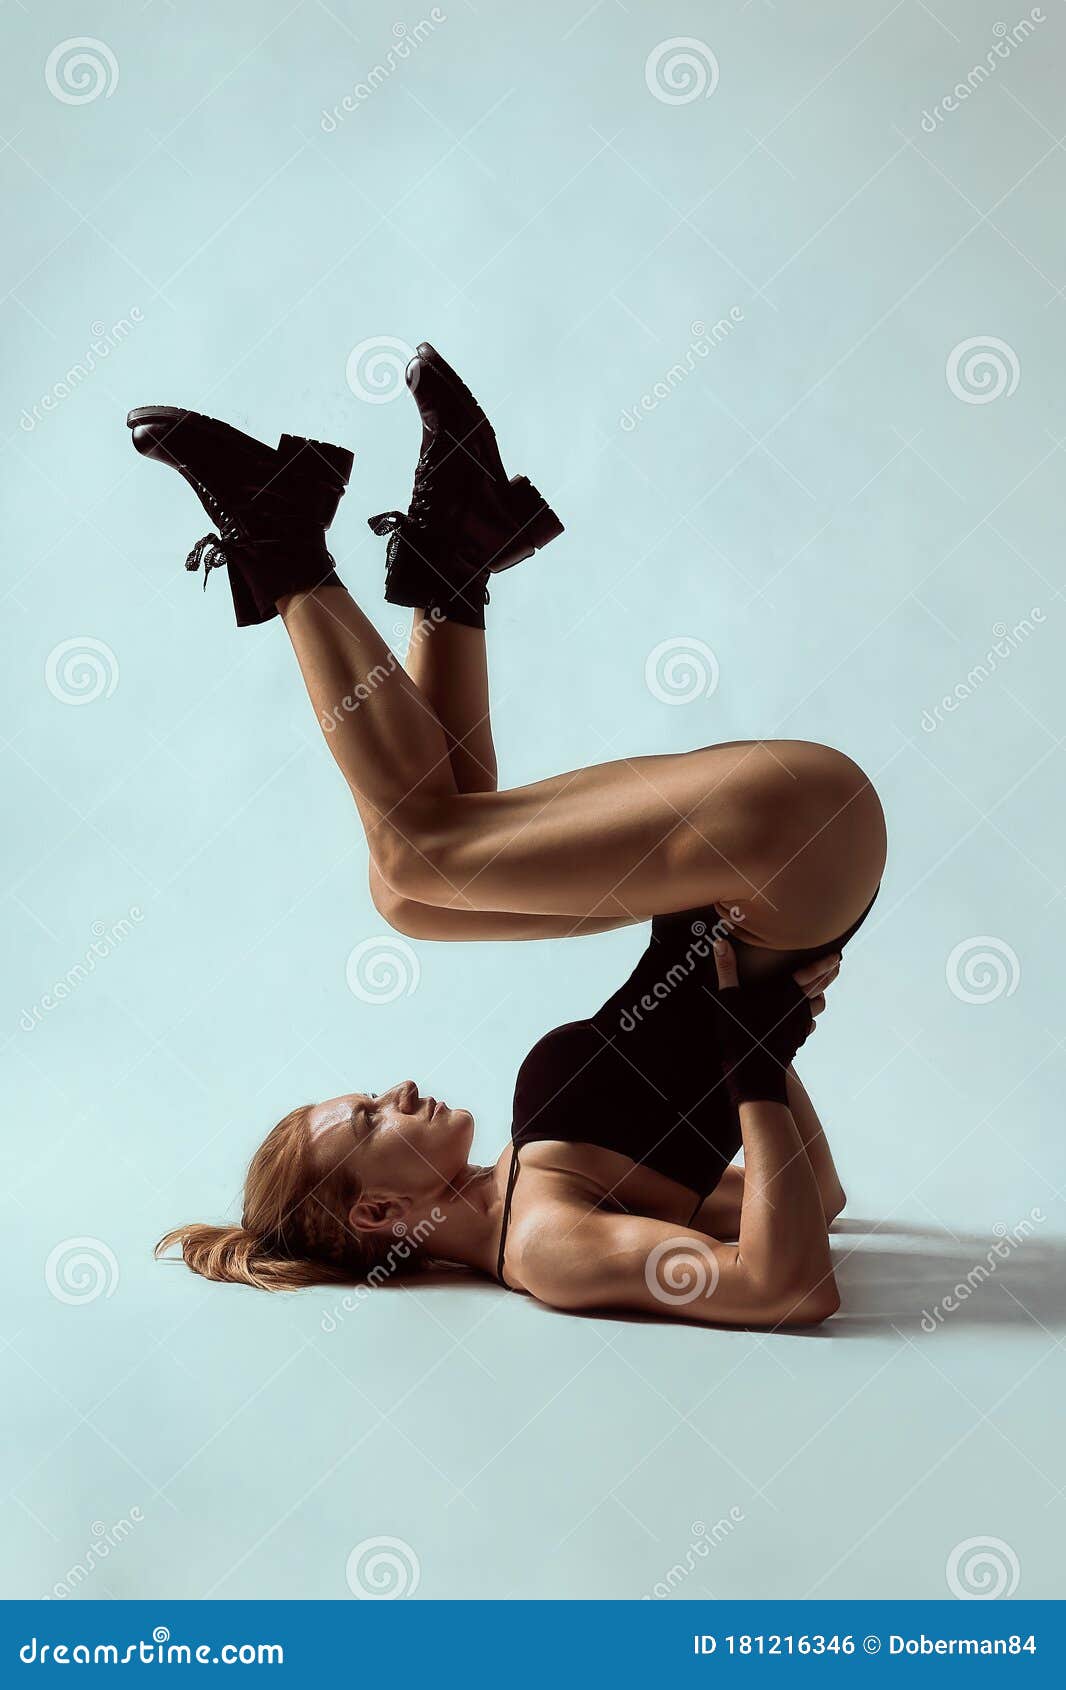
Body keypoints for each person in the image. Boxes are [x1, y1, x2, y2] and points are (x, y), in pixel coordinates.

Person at [135, 342, 886, 1328]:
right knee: (416, 857)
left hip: (761, 861)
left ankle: (455, 555)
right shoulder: (545, 1245)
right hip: (782, 847)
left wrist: (749, 1029)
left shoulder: (531, 1179)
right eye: (369, 1116)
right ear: (379, 1211)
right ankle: (289, 549)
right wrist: (754, 1045)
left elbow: (814, 1204)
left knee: (410, 894)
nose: (395, 1085)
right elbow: (786, 1282)